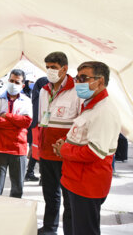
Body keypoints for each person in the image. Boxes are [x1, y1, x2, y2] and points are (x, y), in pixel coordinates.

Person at [53, 61, 121, 235]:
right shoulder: (90, 105)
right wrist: (64, 141)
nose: (78, 82)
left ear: (100, 81)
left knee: (84, 230)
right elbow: (80, 134)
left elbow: (93, 151)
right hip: (73, 180)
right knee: (72, 225)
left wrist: (64, 150)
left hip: (87, 185)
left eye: (83, 78)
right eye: (77, 77)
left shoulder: (104, 111)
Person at [38, 52, 81, 235]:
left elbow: (81, 122)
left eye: (53, 67)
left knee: (68, 198)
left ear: (64, 69)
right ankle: (49, 228)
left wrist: (69, 147)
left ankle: (70, 231)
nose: (49, 71)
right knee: (50, 195)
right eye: (47, 67)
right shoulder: (43, 90)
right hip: (46, 152)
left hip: (65, 154)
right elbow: (41, 121)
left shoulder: (77, 90)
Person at [0, 69, 32, 198]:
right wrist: (16, 123)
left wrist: (7, 115)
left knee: (17, 189)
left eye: (17, 82)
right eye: (11, 81)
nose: (13, 84)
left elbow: (27, 122)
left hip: (18, 148)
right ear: (8, 81)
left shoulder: (26, 101)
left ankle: (15, 216)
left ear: (23, 85)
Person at [25, 77, 49, 182]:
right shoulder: (43, 97)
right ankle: (41, 177)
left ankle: (30, 173)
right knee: (40, 151)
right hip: (41, 126)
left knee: (35, 150)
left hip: (35, 126)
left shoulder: (35, 96)